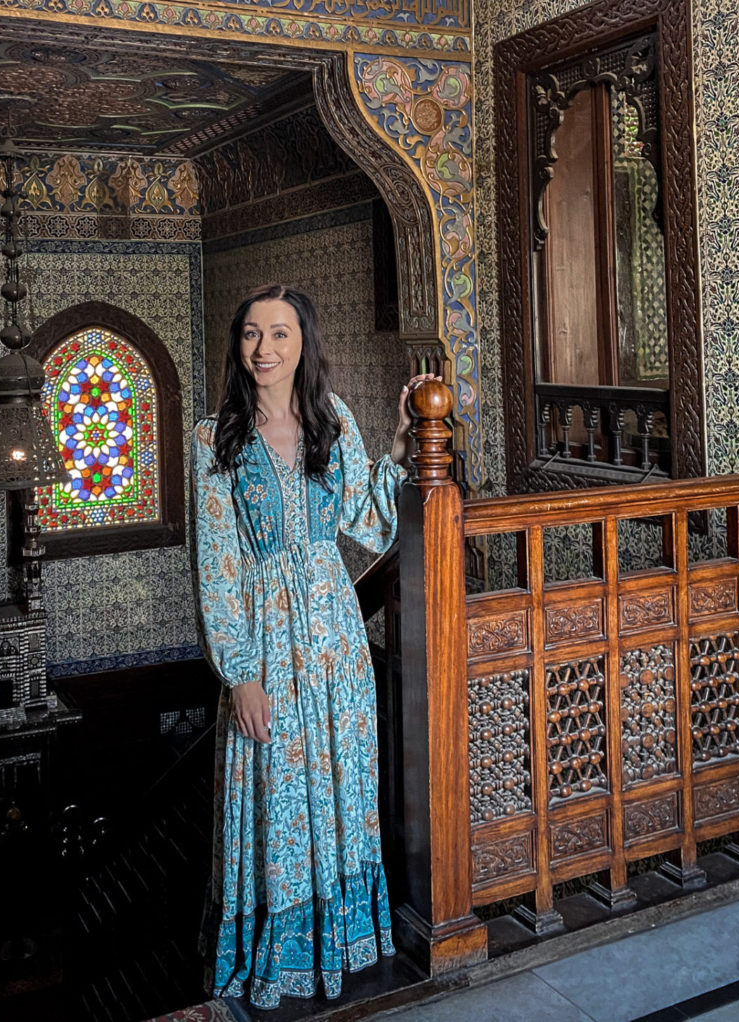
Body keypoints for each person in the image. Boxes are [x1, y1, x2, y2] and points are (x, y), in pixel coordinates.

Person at [191, 283, 435, 1008]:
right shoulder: (216, 438)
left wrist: (396, 445)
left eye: (280, 334)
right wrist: (240, 675)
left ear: (304, 345)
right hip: (265, 648)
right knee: (276, 792)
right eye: (250, 334)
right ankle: (280, 954)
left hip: (336, 642)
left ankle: (346, 941)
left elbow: (367, 520)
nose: (263, 349)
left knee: (342, 786)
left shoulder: (336, 421)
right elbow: (216, 565)